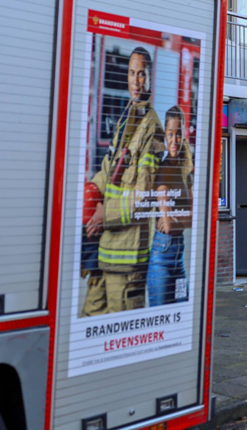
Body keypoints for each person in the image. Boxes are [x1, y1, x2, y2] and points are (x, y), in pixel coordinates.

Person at [84, 47, 164, 314]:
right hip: (105, 250)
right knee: (90, 319)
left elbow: (142, 198)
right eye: (131, 73)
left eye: (141, 74)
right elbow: (110, 167)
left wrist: (104, 214)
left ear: (151, 78)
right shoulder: (128, 117)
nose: (135, 79)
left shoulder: (152, 128)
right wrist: (92, 189)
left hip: (127, 259)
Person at [147, 105, 194, 307]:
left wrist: (178, 219)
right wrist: (180, 218)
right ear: (164, 135)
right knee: (160, 315)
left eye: (178, 134)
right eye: (170, 134)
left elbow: (194, 217)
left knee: (182, 310)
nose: (174, 140)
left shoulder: (185, 171)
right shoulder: (164, 170)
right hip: (162, 257)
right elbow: (166, 225)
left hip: (178, 259)